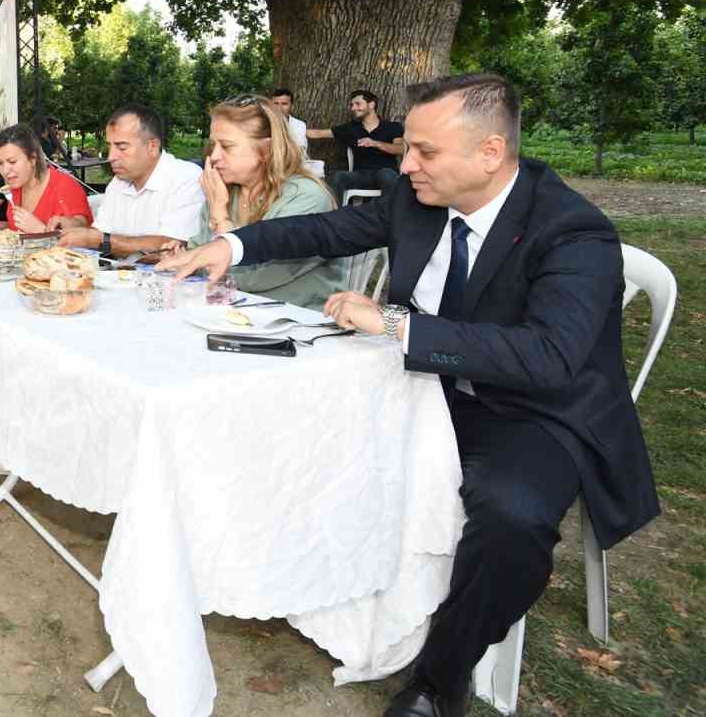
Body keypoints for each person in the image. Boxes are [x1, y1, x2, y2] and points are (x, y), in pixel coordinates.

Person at [161, 73, 658, 717]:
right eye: (409, 146)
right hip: (413, 384)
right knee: (286, 420)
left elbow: (549, 355)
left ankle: (438, 681)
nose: (406, 161)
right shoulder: (416, 197)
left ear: (489, 154)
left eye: (425, 151)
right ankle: (297, 582)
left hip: (532, 412)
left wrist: (397, 326)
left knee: (511, 516)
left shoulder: (573, 230)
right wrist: (228, 244)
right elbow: (326, 233)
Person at [165, 95, 348, 307]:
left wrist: (220, 216)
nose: (213, 156)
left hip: (298, 325)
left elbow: (248, 278)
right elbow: (203, 259)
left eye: (227, 146)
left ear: (267, 150)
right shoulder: (226, 190)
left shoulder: (307, 197)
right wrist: (182, 257)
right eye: (213, 145)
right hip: (235, 318)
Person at [57, 104, 203, 257]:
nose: (111, 157)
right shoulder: (117, 183)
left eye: (122, 147)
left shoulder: (185, 178)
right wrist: (76, 228)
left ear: (152, 146)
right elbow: (98, 234)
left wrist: (103, 241)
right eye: (110, 146)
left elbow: (172, 247)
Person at [305, 88, 405, 203]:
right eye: (352, 105)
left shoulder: (392, 127)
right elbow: (317, 133)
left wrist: (376, 143)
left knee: (387, 175)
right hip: (361, 175)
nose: (353, 108)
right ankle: (337, 217)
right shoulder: (350, 128)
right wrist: (288, 128)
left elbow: (400, 149)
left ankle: (388, 217)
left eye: (358, 104)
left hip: (385, 173)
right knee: (339, 177)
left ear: (371, 105)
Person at [0, 123, 91, 232]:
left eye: (12, 162)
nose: (5, 170)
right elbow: (20, 229)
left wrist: (41, 230)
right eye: (0, 163)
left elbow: (83, 234)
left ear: (33, 158)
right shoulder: (15, 186)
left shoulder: (64, 185)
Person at [270, 88, 310, 154]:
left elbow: (300, 151)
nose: (279, 108)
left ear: (291, 105)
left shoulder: (299, 125)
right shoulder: (264, 123)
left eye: (284, 104)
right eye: (276, 103)